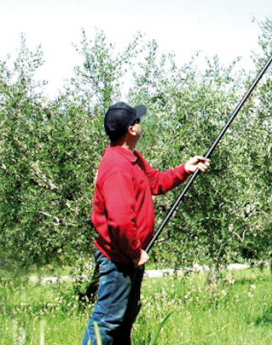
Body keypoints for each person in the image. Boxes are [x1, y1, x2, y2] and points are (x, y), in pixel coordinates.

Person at [82, 102, 210, 345]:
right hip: (119, 258)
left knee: (124, 319)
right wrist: (133, 253)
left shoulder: (131, 158)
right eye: (138, 121)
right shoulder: (117, 167)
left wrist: (185, 169)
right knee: (108, 320)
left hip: (127, 256)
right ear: (131, 130)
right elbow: (120, 220)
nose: (141, 124)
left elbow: (154, 182)